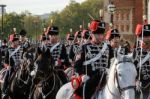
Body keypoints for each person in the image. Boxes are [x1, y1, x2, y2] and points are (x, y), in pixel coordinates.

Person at [73, 20, 111, 99]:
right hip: (90, 78)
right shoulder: (84, 48)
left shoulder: (108, 48)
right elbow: (77, 65)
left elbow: (112, 62)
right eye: (97, 34)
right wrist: (82, 75)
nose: (100, 36)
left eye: (101, 34)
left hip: (107, 77)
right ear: (92, 34)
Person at [2, 33, 22, 99]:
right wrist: (8, 66)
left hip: (21, 68)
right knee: (8, 74)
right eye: (14, 41)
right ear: (12, 42)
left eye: (17, 40)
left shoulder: (21, 49)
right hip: (12, 68)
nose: (16, 42)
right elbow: (5, 62)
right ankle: (5, 91)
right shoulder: (8, 50)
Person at [134, 24, 150, 99]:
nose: (148, 39)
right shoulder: (135, 52)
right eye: (146, 37)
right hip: (139, 86)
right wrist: (135, 80)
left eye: (149, 37)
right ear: (139, 38)